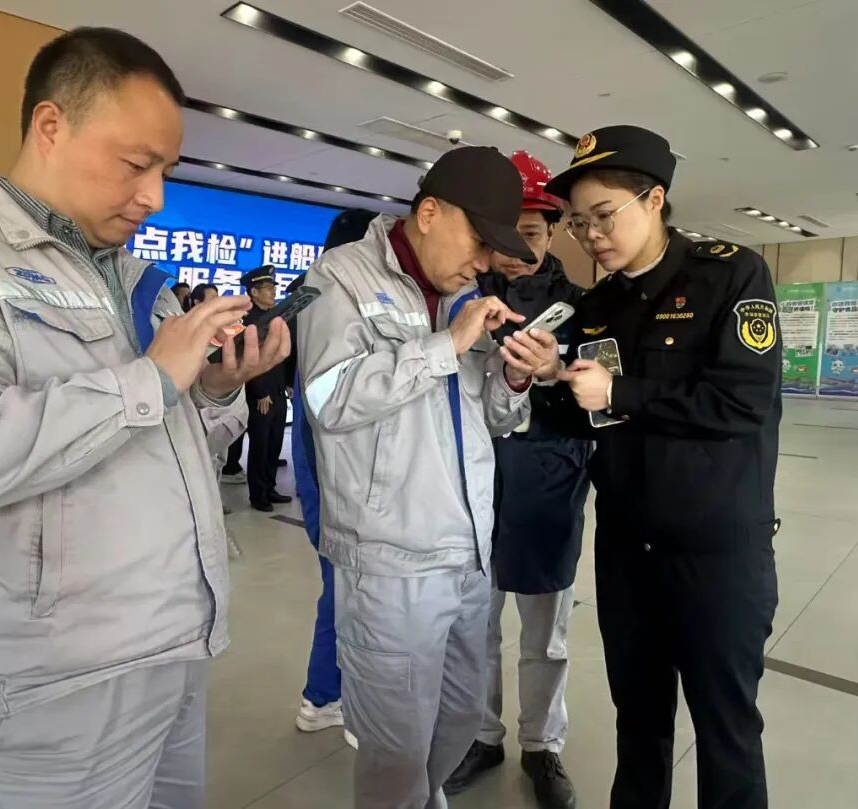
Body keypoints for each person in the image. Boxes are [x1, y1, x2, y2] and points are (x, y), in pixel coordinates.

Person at [0, 27, 290, 809]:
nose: (155, 196)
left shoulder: (137, 281)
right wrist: (149, 379)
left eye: (166, 170)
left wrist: (211, 391)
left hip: (173, 646)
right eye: (136, 164)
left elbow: (161, 447)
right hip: (51, 685)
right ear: (51, 125)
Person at [298, 146, 564, 809]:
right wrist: (445, 346)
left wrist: (514, 377)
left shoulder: (463, 295)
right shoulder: (340, 279)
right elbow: (330, 399)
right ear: (429, 213)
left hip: (469, 556)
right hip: (391, 564)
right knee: (395, 755)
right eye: (480, 242)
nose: (485, 262)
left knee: (458, 721)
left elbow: (490, 419)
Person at [543, 125, 781, 809]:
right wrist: (548, 379)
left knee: (726, 728)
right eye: (579, 223)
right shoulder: (597, 307)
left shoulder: (730, 274)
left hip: (716, 553)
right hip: (627, 551)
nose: (591, 236)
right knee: (639, 720)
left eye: (604, 215)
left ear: (653, 199)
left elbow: (742, 402)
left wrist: (620, 393)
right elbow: (587, 421)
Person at [444, 152, 590, 809]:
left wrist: (552, 374)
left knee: (545, 633)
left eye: (531, 232)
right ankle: (481, 735)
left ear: (553, 232)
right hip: (471, 487)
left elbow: (599, 401)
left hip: (549, 483)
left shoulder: (583, 308)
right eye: (506, 234)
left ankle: (542, 745)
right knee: (473, 626)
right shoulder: (462, 300)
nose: (518, 249)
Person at [291, 209, 377, 738]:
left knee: (342, 588)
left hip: (323, 465)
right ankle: (327, 697)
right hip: (328, 471)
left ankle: (324, 694)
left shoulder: (311, 295)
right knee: (346, 590)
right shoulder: (329, 298)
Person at [242, 266, 293, 512]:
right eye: (268, 288)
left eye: (274, 288)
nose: (273, 292)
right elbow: (246, 359)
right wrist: (260, 391)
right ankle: (258, 494)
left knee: (274, 443)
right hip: (260, 393)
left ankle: (270, 487)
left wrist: (288, 383)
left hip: (278, 389)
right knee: (260, 445)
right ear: (254, 292)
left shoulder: (276, 317)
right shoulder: (246, 321)